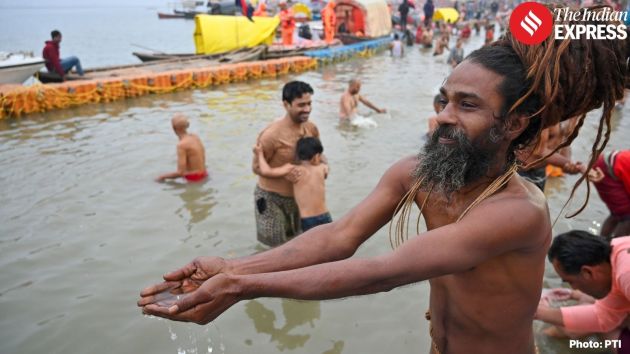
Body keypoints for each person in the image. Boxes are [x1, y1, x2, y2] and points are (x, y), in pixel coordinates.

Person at [139, 6, 629, 353]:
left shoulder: (518, 212)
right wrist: (232, 267)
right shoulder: (416, 173)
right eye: (444, 100)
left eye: (468, 105)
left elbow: (386, 270)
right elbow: (337, 237)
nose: (442, 117)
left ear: (516, 124)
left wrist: (241, 288)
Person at [251, 81, 323, 247]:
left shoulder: (311, 129)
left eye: (309, 103)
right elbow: (255, 168)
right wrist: (283, 172)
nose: (307, 109)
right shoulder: (271, 136)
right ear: (286, 104)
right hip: (271, 199)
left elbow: (320, 155)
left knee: (298, 245)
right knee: (274, 250)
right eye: (301, 105)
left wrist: (323, 168)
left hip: (299, 198)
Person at [535, 231, 630, 353]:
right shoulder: (615, 250)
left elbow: (576, 330)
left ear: (587, 272)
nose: (573, 288)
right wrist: (539, 313)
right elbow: (603, 317)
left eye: (571, 281)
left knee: (607, 334)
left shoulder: (626, 274)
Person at [255, 137, 331, 232]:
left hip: (308, 219)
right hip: (325, 215)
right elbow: (326, 164)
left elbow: (266, 171)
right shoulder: (322, 168)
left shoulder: (294, 170)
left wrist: (260, 154)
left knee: (312, 245)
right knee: (329, 244)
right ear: (316, 157)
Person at [585, 150, 630, 239]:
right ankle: (615, 248)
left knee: (617, 214)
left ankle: (602, 242)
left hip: (604, 163)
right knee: (626, 215)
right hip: (606, 170)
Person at [156, 114, 208, 183]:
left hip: (193, 179)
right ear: (188, 125)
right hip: (205, 174)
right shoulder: (195, 137)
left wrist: (162, 177)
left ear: (173, 127)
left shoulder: (181, 145)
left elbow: (180, 172)